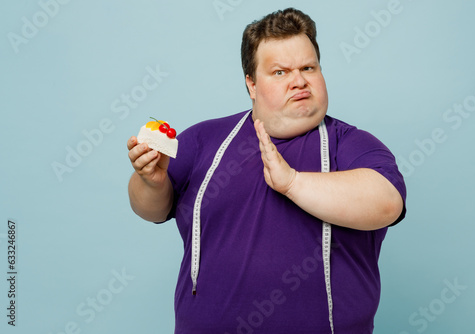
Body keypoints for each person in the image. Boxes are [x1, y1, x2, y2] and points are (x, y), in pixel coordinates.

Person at [127, 8, 406, 334]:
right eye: (280, 72)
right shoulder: (204, 140)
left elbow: (388, 202)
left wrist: (292, 183)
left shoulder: (351, 144)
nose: (299, 80)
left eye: (308, 67)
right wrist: (151, 180)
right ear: (252, 85)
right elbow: (150, 210)